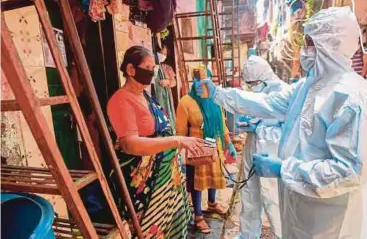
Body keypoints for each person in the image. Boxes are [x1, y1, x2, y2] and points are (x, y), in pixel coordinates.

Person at [196, 7, 367, 239]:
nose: (304, 50)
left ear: (330, 45)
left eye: (309, 43)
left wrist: (284, 169)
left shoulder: (354, 98)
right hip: (295, 202)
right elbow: (266, 103)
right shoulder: (307, 87)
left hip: (328, 219)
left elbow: (348, 171)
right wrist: (218, 94)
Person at [107, 46, 205, 238]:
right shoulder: (121, 100)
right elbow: (129, 144)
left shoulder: (145, 95)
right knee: (151, 231)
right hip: (146, 187)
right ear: (130, 69)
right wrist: (176, 141)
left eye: (153, 68)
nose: (152, 73)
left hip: (169, 182)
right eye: (148, 67)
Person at [176, 67, 237, 234]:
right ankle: (198, 216)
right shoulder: (185, 102)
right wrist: (181, 154)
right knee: (196, 182)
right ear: (192, 82)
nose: (200, 84)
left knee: (213, 176)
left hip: (213, 145)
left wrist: (229, 144)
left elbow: (222, 125)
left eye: (204, 80)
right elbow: (180, 132)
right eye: (196, 80)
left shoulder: (216, 100)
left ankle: (211, 203)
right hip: (195, 148)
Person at [235, 55, 288, 239]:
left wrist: (260, 129)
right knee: (249, 194)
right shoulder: (257, 94)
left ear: (264, 78)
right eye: (248, 84)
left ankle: (283, 235)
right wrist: (250, 124)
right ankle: (248, 234)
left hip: (272, 155)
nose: (251, 87)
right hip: (252, 148)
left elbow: (287, 133)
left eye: (253, 83)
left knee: (273, 199)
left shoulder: (284, 93)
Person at [152, 43, 177, 132]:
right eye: (162, 54)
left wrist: (168, 82)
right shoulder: (152, 66)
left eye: (165, 54)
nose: (164, 56)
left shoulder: (167, 68)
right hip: (156, 97)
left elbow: (174, 82)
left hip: (166, 98)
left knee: (168, 114)